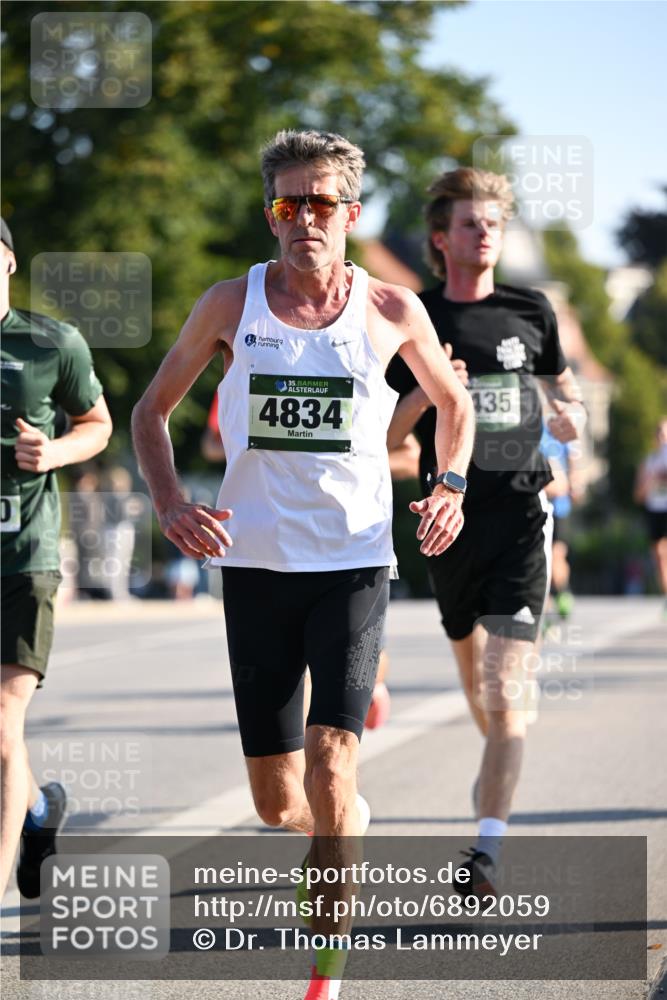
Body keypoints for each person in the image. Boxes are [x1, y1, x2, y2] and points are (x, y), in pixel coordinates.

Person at [132, 130, 474, 1000]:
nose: (303, 219)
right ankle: (341, 821)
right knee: (279, 803)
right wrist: (170, 504)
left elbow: (452, 403)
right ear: (271, 215)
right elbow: (149, 411)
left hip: (353, 563)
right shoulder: (229, 303)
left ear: (350, 214)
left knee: (330, 757)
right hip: (253, 566)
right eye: (287, 203)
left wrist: (450, 485)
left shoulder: (391, 308)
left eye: (320, 203)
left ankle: (324, 973)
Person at [386, 167, 585, 895]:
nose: (485, 233)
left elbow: (565, 394)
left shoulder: (531, 309)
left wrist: (571, 418)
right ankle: (499, 760)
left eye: (494, 222)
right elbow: (387, 440)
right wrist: (429, 390)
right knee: (482, 690)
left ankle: (487, 849)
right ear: (441, 239)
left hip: (522, 513)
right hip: (447, 523)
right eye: (470, 223)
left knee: (505, 689)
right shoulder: (415, 317)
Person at [0, 217, 112, 899]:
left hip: (23, 556)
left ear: (9, 262)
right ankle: (39, 809)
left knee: (1, 727)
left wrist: (54, 451)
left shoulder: (51, 343)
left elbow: (97, 424)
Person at [634, 417, 667, 615]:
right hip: (655, 511)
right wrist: (652, 481)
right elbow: (638, 496)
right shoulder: (649, 461)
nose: (663, 438)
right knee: (660, 557)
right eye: (660, 434)